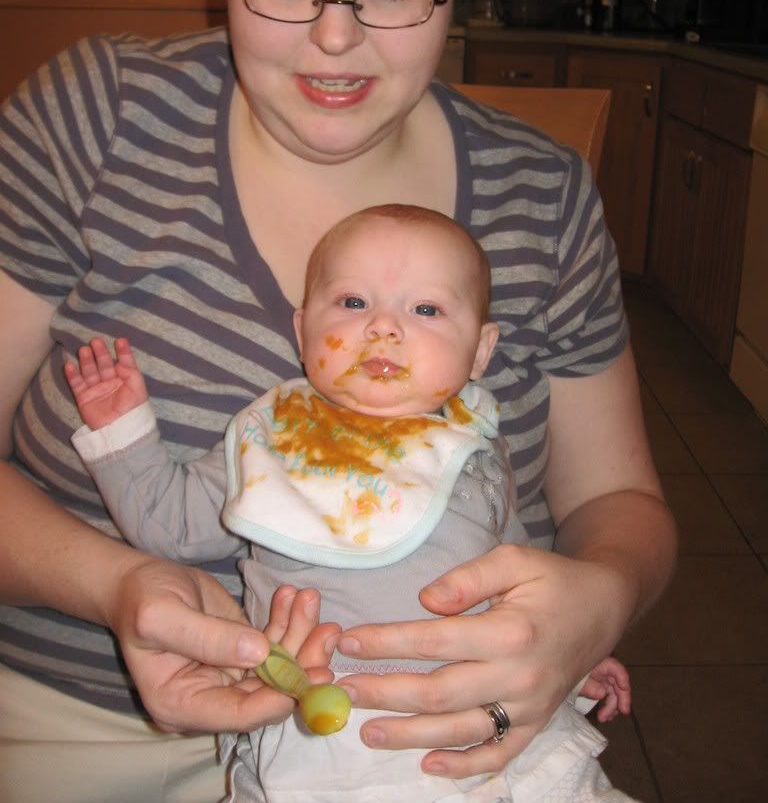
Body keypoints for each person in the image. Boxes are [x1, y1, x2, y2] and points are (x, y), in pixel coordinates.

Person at [0, 0, 676, 801]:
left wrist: (599, 600)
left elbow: (620, 504)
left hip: (443, 754)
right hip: (86, 733)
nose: (333, 38)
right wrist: (117, 584)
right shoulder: (93, 118)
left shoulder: (544, 195)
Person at [63, 204, 635, 802]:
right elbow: (170, 524)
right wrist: (122, 433)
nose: (383, 327)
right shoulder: (275, 437)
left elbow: (519, 569)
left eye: (426, 309)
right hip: (321, 732)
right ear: (302, 330)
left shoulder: (470, 443)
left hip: (488, 725)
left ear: (480, 350)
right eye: (354, 303)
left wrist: (571, 650)